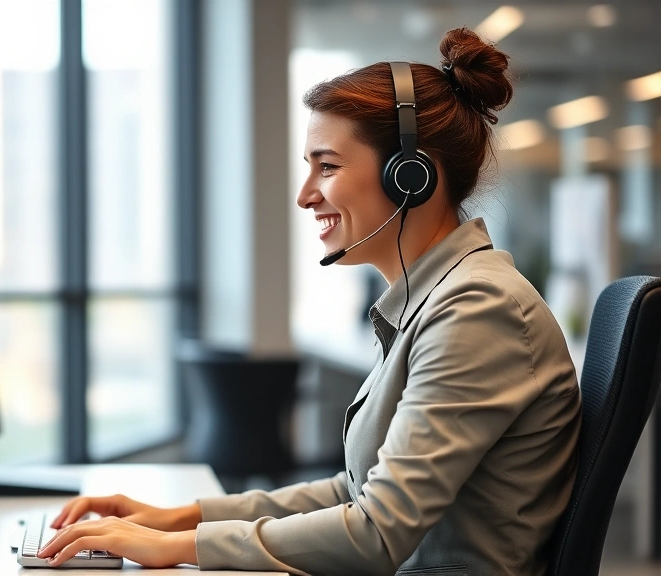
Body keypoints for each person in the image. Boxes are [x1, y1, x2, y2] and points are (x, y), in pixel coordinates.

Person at [36, 27, 581, 576]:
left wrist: (182, 549)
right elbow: (354, 491)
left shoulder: (478, 309)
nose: (304, 195)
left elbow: (376, 532)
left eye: (328, 166)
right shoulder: (436, 299)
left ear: (410, 177)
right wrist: (173, 520)